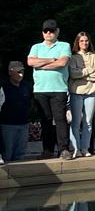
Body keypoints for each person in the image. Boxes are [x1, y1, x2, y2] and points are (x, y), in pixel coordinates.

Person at [26, 19, 72, 159]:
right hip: (40, 90)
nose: (48, 33)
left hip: (59, 89)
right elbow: (30, 62)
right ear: (42, 33)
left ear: (57, 31)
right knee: (45, 120)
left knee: (60, 120)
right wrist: (52, 60)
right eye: (45, 31)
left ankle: (64, 149)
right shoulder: (36, 47)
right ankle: (48, 150)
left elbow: (62, 62)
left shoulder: (64, 45)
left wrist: (40, 64)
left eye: (51, 31)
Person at [68, 31, 95, 158]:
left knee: (88, 122)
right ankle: (76, 148)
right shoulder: (72, 57)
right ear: (77, 42)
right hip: (76, 92)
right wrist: (89, 70)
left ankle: (85, 148)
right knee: (76, 122)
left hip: (91, 92)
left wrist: (82, 74)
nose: (84, 43)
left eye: (86, 40)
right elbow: (73, 74)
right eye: (81, 41)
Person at [0, 61, 31, 162]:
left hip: (24, 124)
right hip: (7, 125)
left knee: (20, 154)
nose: (21, 75)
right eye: (18, 72)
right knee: (7, 153)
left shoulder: (26, 86)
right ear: (10, 72)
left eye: (22, 72)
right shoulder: (3, 87)